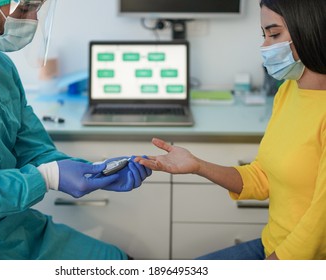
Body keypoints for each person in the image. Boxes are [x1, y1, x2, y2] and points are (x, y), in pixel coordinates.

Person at [0, 0, 151, 260]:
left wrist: (93, 171)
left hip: (15, 227)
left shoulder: (0, 66)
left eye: (37, 9)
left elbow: (34, 148)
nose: (33, 21)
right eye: (26, 7)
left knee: (124, 262)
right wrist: (48, 176)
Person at [136, 0, 326, 260]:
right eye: (264, 36)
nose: (265, 46)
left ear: (311, 30)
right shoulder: (288, 92)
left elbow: (320, 223)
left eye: (274, 34)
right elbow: (262, 177)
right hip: (272, 244)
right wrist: (197, 165)